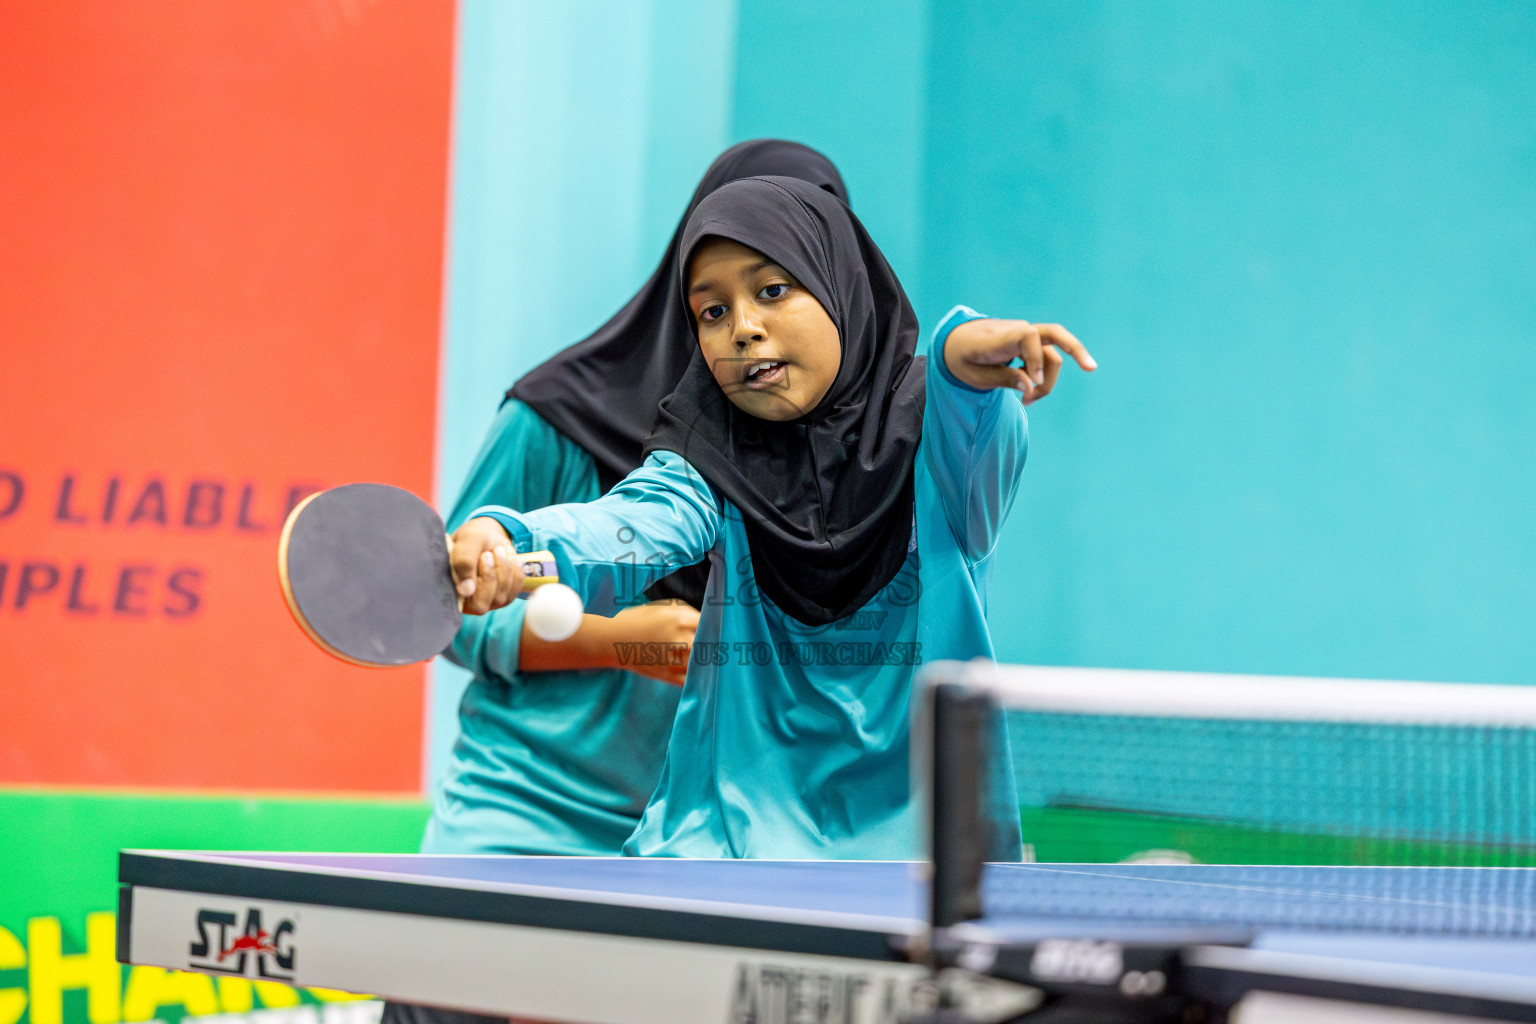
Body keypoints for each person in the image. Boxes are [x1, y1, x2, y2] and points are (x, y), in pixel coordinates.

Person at [452, 175, 1095, 859]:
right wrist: (514, 538)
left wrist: (960, 361)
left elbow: (978, 436)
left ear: (839, 284)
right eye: (711, 313)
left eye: (772, 290)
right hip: (724, 845)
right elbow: (631, 525)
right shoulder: (707, 449)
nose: (743, 328)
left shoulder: (936, 441)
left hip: (918, 852)